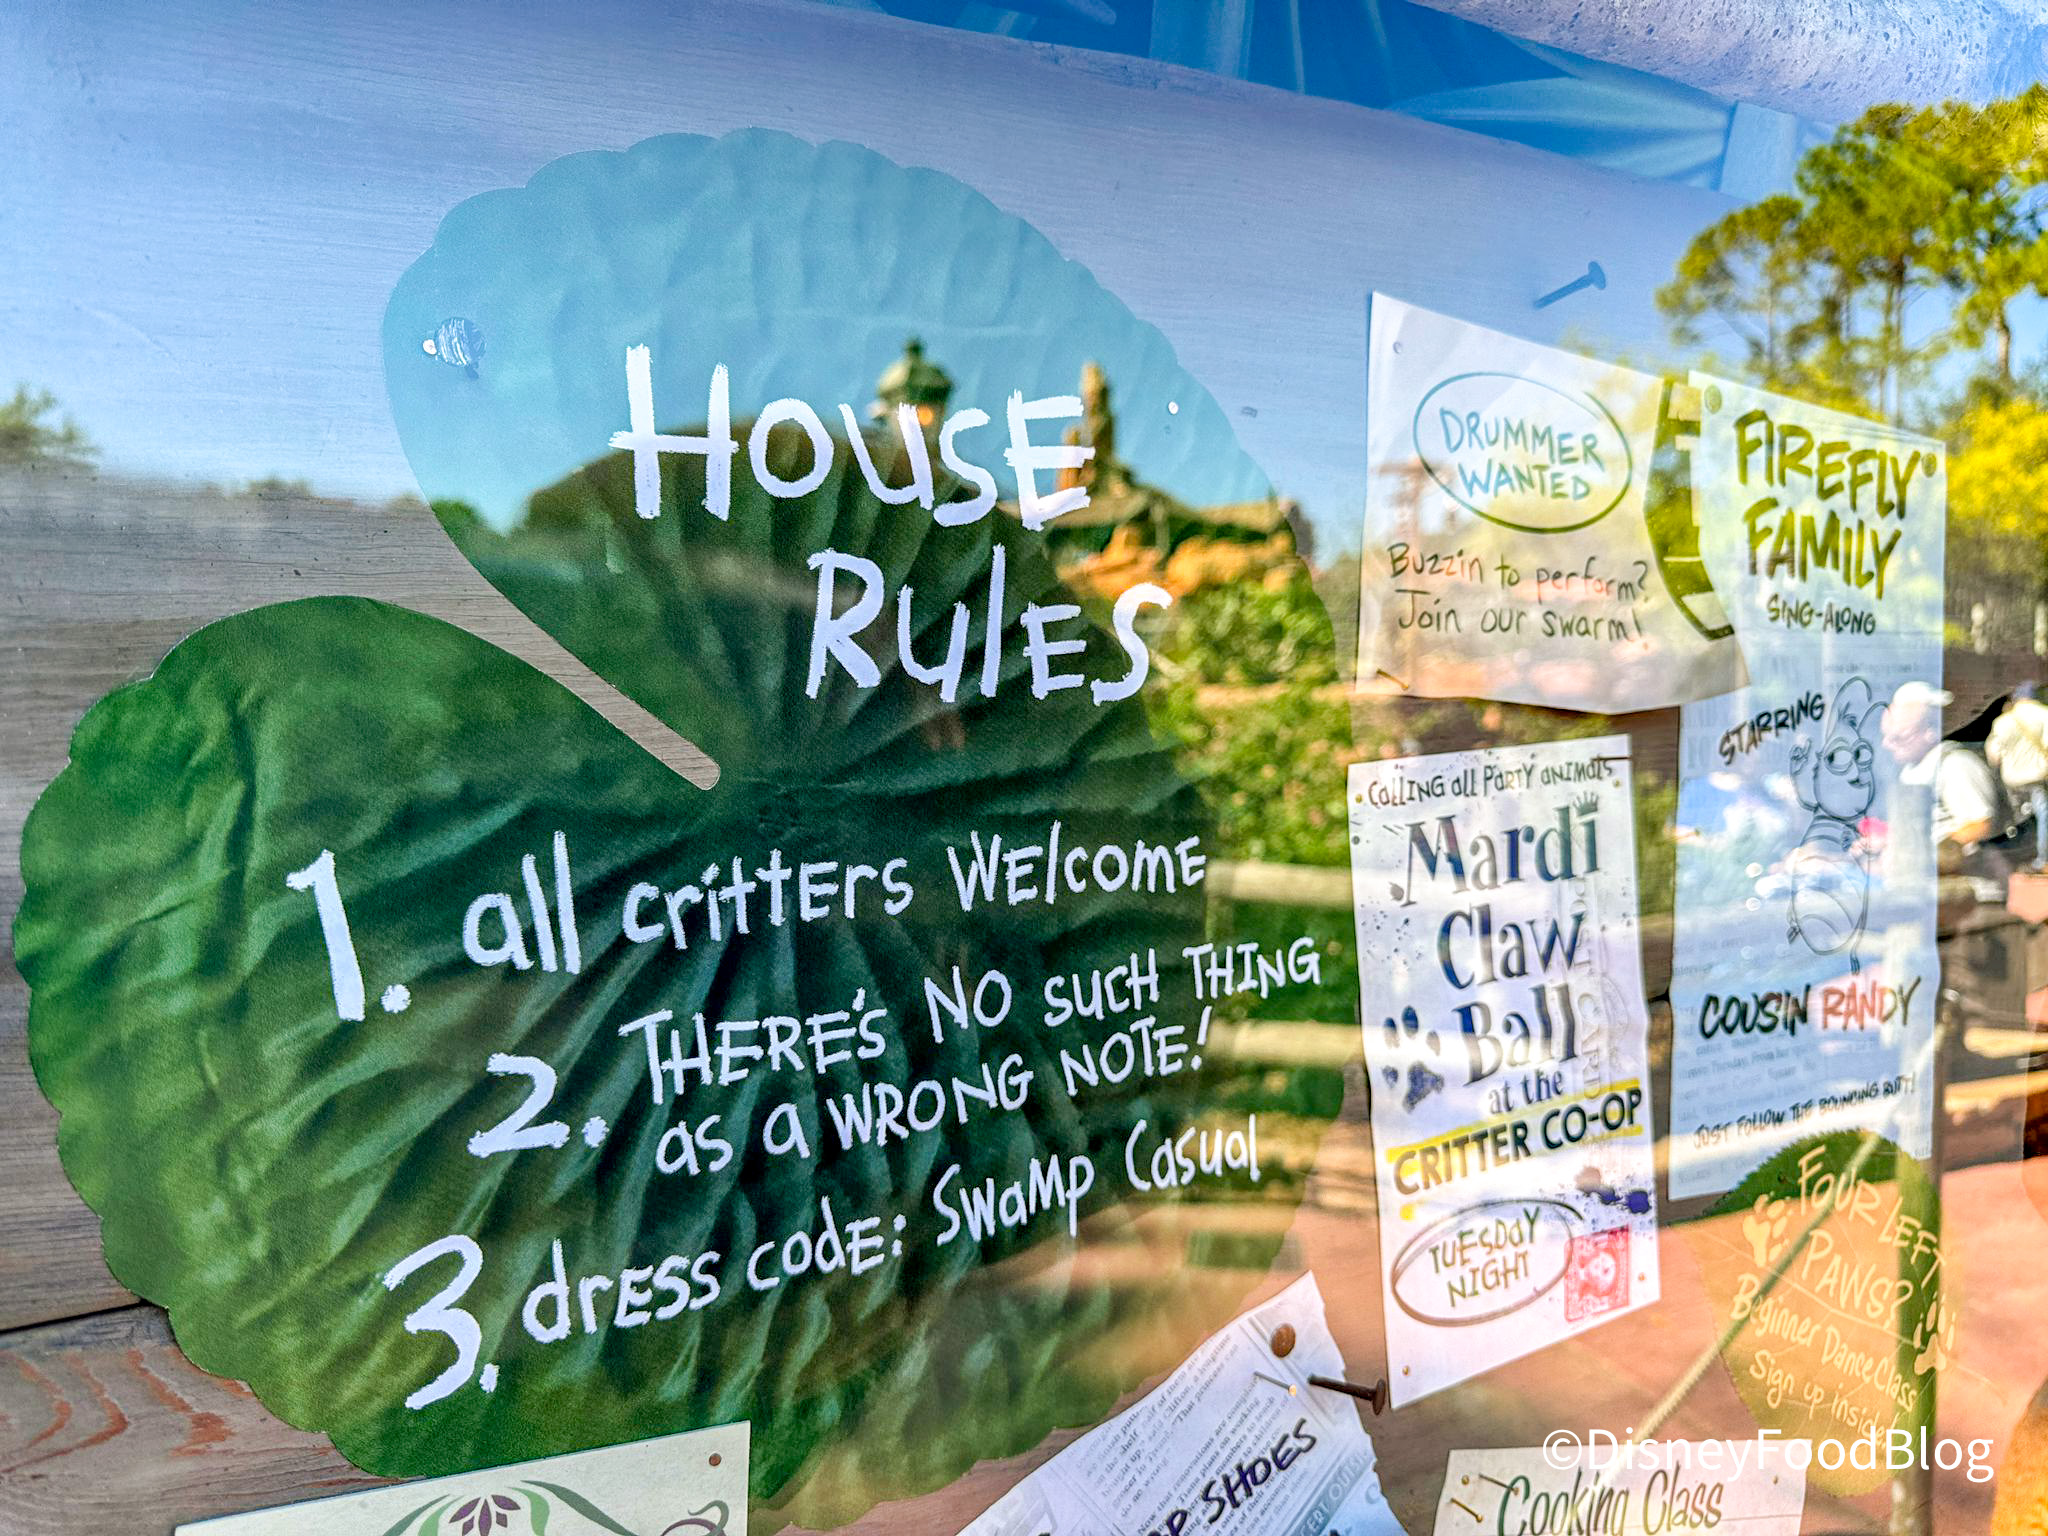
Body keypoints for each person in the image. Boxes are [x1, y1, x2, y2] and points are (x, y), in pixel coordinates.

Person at [1883, 680, 2018, 904]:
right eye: (1885, 735)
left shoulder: (1955, 764)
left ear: (1930, 732)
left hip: (1968, 896)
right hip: (1928, 893)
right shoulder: (1911, 768)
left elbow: (1980, 823)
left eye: (1898, 737)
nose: (1887, 744)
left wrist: (1928, 856)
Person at [1986, 681, 2048, 870]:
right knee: (2042, 816)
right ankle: (2042, 859)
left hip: (2011, 779)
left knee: (2017, 818)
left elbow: (1994, 756)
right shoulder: (2044, 714)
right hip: (2037, 777)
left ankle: (2018, 857)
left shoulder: (2002, 721)